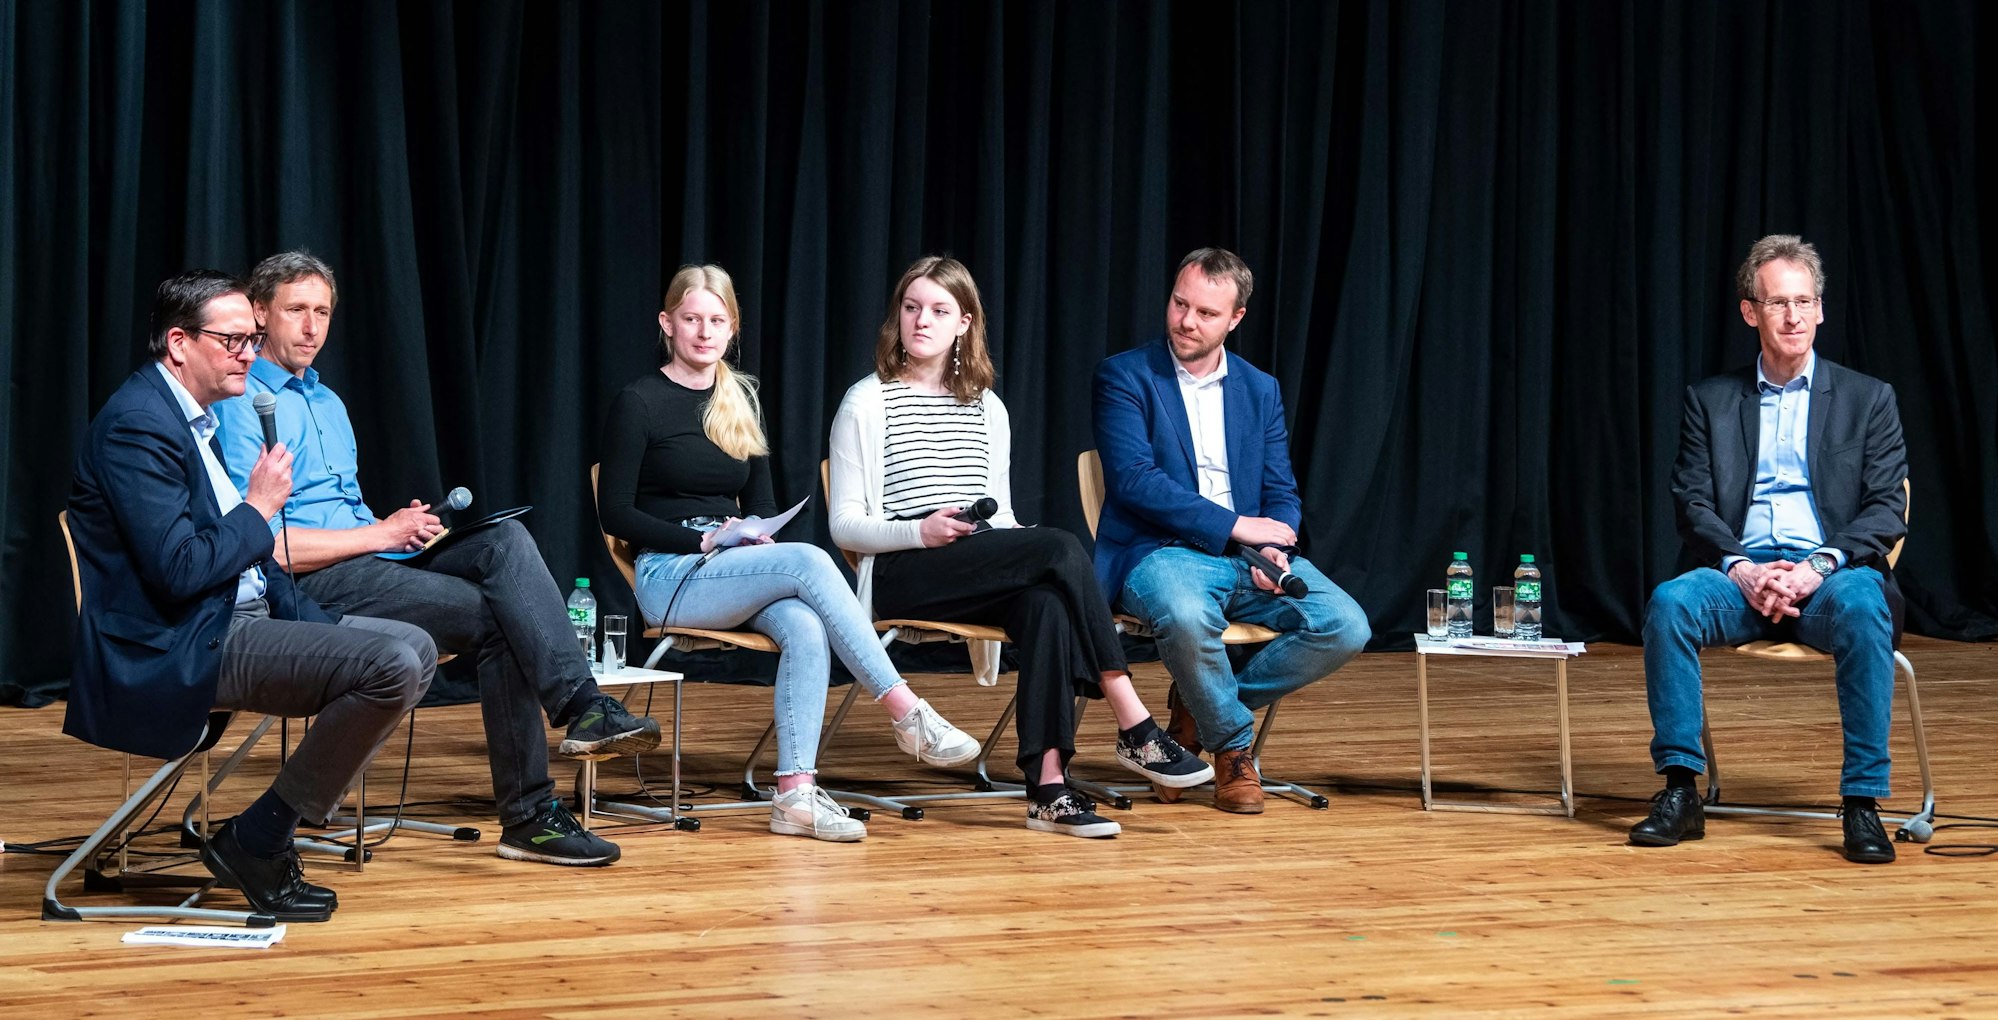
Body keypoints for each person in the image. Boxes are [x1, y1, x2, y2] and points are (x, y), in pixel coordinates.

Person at [213, 251, 657, 868]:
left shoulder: (329, 404)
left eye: (322, 312)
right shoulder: (240, 404)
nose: (311, 327)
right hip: (309, 585)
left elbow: (345, 513)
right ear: (260, 314)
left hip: (369, 561)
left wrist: (397, 529)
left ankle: (583, 712)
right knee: (507, 619)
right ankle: (539, 797)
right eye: (296, 311)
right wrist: (376, 536)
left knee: (503, 542)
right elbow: (264, 544)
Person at [67, 270, 435, 921]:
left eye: (252, 339)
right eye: (233, 340)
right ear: (179, 343)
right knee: (389, 663)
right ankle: (259, 840)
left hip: (238, 614)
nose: (248, 353)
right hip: (180, 639)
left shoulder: (190, 418)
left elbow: (233, 558)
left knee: (414, 644)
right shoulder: (137, 427)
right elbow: (180, 571)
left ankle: (261, 829)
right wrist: (259, 505)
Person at [828, 256, 1213, 838]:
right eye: (911, 309)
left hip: (977, 561)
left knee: (1048, 604)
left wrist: (1002, 541)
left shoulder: (987, 407)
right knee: (1058, 547)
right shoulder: (866, 402)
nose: (921, 322)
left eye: (938, 310)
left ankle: (1050, 790)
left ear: (964, 323)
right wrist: (919, 531)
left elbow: (1000, 515)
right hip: (902, 566)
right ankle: (1133, 721)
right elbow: (845, 527)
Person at [597, 263, 982, 843]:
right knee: (808, 560)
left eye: (717, 320)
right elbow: (615, 513)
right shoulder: (640, 401)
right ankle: (906, 711)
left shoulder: (739, 400)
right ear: (667, 323)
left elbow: (763, 500)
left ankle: (794, 795)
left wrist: (753, 532)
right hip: (671, 570)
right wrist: (703, 538)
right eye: (692, 319)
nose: (705, 332)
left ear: (733, 328)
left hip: (731, 568)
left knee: (804, 624)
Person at [1630, 234, 1909, 863]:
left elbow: (1886, 509)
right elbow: (1692, 503)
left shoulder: (1869, 400)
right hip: (1740, 575)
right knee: (1671, 603)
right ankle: (1681, 791)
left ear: (1820, 310)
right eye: (1778, 303)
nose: (1793, 317)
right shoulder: (1711, 400)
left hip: (1831, 577)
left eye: (1804, 302)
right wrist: (1743, 567)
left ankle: (1862, 804)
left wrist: (1817, 567)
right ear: (1750, 311)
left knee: (1867, 608)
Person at [1092, 247, 1372, 813]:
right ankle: (1234, 751)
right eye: (1179, 304)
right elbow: (1134, 481)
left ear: (1236, 318)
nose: (1186, 322)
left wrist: (1275, 543)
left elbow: (1281, 490)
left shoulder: (1258, 388)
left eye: (1206, 313)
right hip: (1159, 550)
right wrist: (1239, 526)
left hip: (1250, 555)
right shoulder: (1125, 374)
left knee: (1345, 626)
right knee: (1189, 617)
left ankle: (1198, 707)